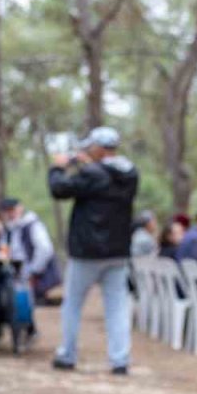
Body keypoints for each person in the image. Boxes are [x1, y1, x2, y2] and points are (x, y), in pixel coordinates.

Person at [48, 126, 139, 375]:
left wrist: (58, 167)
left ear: (99, 148)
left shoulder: (91, 173)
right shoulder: (130, 174)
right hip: (118, 252)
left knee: (73, 304)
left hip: (86, 252)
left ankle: (67, 354)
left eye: (90, 147)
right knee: (117, 307)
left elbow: (59, 189)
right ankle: (120, 360)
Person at [0, 197, 59, 304]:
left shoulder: (32, 225)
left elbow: (45, 249)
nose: (10, 214)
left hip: (34, 275)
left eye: (12, 210)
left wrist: (34, 271)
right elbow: (4, 251)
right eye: (6, 211)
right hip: (15, 276)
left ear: (20, 209)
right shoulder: (7, 230)